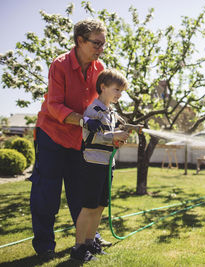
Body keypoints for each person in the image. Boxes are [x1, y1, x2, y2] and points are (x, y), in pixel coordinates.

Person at [29, 19, 111, 261]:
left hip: (79, 139)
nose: (101, 49)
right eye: (96, 43)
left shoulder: (99, 68)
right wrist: (83, 120)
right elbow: (54, 105)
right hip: (52, 136)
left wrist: (110, 126)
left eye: (103, 44)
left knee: (82, 192)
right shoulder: (60, 65)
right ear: (80, 41)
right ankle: (44, 245)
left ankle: (87, 239)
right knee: (47, 193)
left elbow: (103, 103)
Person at [70, 69, 130, 262]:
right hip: (93, 164)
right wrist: (114, 137)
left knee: (101, 205)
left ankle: (90, 242)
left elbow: (108, 139)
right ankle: (78, 248)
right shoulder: (93, 111)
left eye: (121, 91)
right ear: (103, 87)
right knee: (88, 206)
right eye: (116, 89)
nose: (119, 94)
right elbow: (90, 138)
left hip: (106, 164)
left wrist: (117, 140)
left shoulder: (111, 113)